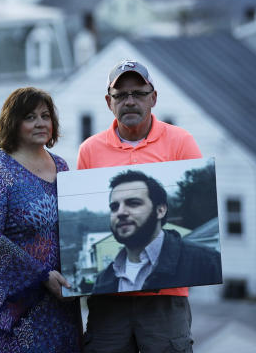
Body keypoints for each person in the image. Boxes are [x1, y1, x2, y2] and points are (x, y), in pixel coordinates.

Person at [77, 60, 203, 353]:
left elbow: (196, 213)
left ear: (153, 97)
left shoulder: (181, 142)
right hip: (109, 299)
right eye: (120, 95)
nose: (129, 101)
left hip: (166, 295)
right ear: (109, 102)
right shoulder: (90, 150)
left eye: (138, 93)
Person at [0, 86, 82, 353]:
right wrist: (41, 275)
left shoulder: (63, 166)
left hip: (60, 297)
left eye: (45, 115)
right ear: (13, 123)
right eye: (30, 117)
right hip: (15, 303)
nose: (41, 123)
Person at [90, 170, 221, 295]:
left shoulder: (207, 263)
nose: (120, 212)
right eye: (114, 207)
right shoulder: (103, 281)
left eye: (133, 203)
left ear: (160, 210)